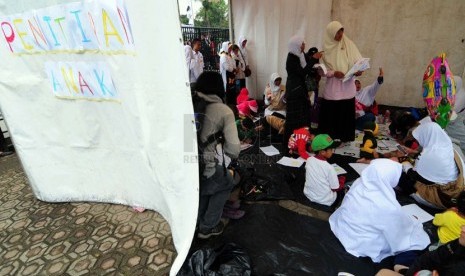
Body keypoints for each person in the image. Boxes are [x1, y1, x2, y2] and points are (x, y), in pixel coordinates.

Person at [329, 159, 430, 267]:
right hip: (362, 242)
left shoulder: (359, 184)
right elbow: (401, 234)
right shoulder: (386, 206)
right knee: (413, 240)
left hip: (344, 228)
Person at [195, 71, 241, 239]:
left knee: (203, 188)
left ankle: (196, 222)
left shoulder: (189, 104)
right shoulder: (223, 110)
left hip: (188, 164)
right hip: (210, 164)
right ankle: (207, 227)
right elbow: (234, 149)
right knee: (226, 183)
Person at [396, 122, 465, 209]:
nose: (419, 141)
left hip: (440, 197)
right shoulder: (448, 146)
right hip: (454, 192)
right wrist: (413, 153)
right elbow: (434, 164)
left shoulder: (432, 154)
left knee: (403, 178)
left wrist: (403, 160)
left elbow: (416, 177)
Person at [319, 21, 364, 142]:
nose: (340, 34)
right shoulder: (324, 49)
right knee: (331, 115)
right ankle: (329, 139)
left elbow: (358, 62)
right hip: (333, 89)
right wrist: (334, 73)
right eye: (337, 32)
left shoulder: (349, 44)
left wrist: (358, 70)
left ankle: (344, 137)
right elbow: (321, 71)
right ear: (330, 33)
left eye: (341, 31)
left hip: (348, 87)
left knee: (345, 114)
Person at [376, 225, 465, 276]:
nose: (462, 228)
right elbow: (429, 258)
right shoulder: (459, 243)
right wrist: (411, 273)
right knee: (384, 272)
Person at [283, 35, 322, 149]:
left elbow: (308, 69)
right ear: (296, 45)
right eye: (302, 44)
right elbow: (302, 72)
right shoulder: (291, 58)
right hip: (295, 92)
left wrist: (317, 66)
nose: (304, 45)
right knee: (294, 120)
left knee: (304, 118)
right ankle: (289, 145)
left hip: (301, 91)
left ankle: (302, 142)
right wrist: (314, 59)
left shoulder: (300, 55)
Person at [304, 134, 344, 207]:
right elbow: (335, 188)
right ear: (322, 152)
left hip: (309, 195)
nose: (332, 151)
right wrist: (341, 180)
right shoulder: (329, 168)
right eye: (331, 149)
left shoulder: (309, 160)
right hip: (325, 200)